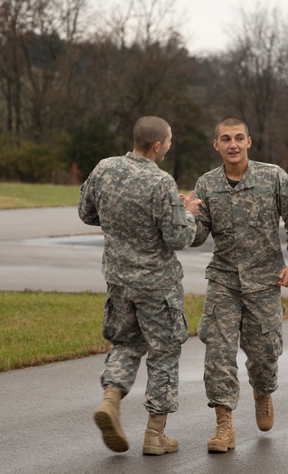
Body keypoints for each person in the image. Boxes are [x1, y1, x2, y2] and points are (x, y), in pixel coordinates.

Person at [79, 116, 201, 455]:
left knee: (126, 343)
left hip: (118, 280)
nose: (170, 145)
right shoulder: (161, 182)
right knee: (164, 352)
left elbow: (86, 213)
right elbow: (178, 237)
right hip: (156, 286)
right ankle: (154, 435)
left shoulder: (104, 168)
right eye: (170, 140)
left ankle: (110, 399)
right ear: (158, 145)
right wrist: (187, 211)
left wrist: (122, 218)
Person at [190, 117, 288, 453]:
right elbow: (197, 237)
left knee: (265, 354)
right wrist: (186, 215)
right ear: (216, 145)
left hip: (264, 280)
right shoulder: (206, 184)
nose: (232, 144)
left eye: (238, 138)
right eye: (225, 139)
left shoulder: (273, 176)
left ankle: (263, 390)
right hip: (224, 280)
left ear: (249, 142)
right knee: (218, 353)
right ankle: (224, 426)